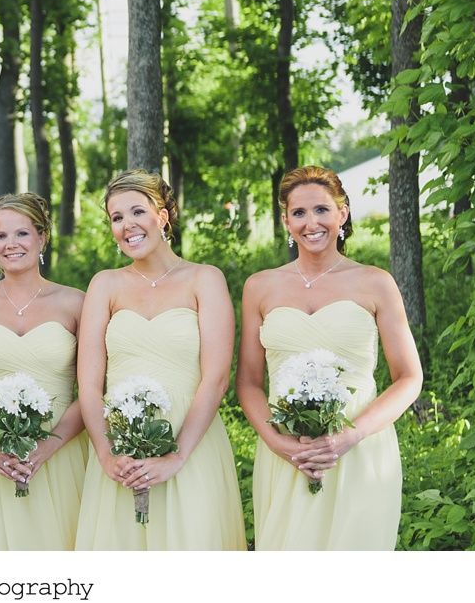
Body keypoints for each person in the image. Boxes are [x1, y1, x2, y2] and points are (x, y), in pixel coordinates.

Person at [239, 165, 421, 550]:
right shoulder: (259, 287)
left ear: (343, 212)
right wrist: (277, 443)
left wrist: (348, 437)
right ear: (286, 220)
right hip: (288, 451)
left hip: (359, 448)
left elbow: (408, 378)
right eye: (299, 213)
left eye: (322, 209)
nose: (311, 223)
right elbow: (250, 382)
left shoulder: (375, 283)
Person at [75, 170, 246, 550]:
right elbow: (88, 383)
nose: (127, 225)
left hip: (192, 440)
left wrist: (177, 455)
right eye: (117, 218)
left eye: (137, 211)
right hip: (120, 445)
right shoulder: (105, 284)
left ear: (163, 216)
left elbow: (216, 378)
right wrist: (105, 454)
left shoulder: (205, 279)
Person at [0, 193, 88, 550]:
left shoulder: (75, 302)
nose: (11, 244)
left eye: (22, 234)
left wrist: (48, 446)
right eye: (1, 236)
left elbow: (91, 388)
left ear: (42, 237)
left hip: (61, 451)